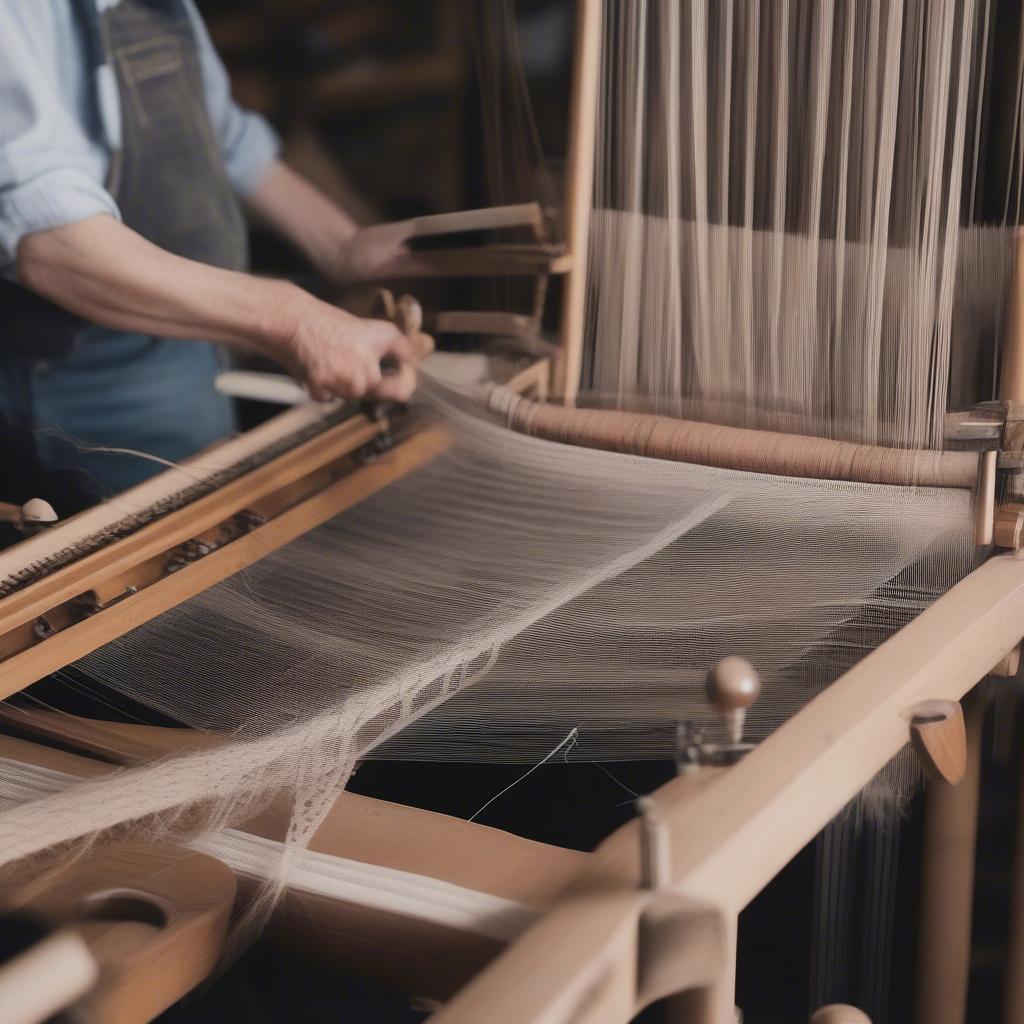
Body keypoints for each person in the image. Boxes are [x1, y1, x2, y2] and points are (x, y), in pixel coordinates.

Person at [0, 0, 417, 519]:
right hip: (84, 380)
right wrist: (290, 319)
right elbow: (50, 242)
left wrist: (343, 246)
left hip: (190, 345)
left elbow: (225, 136)